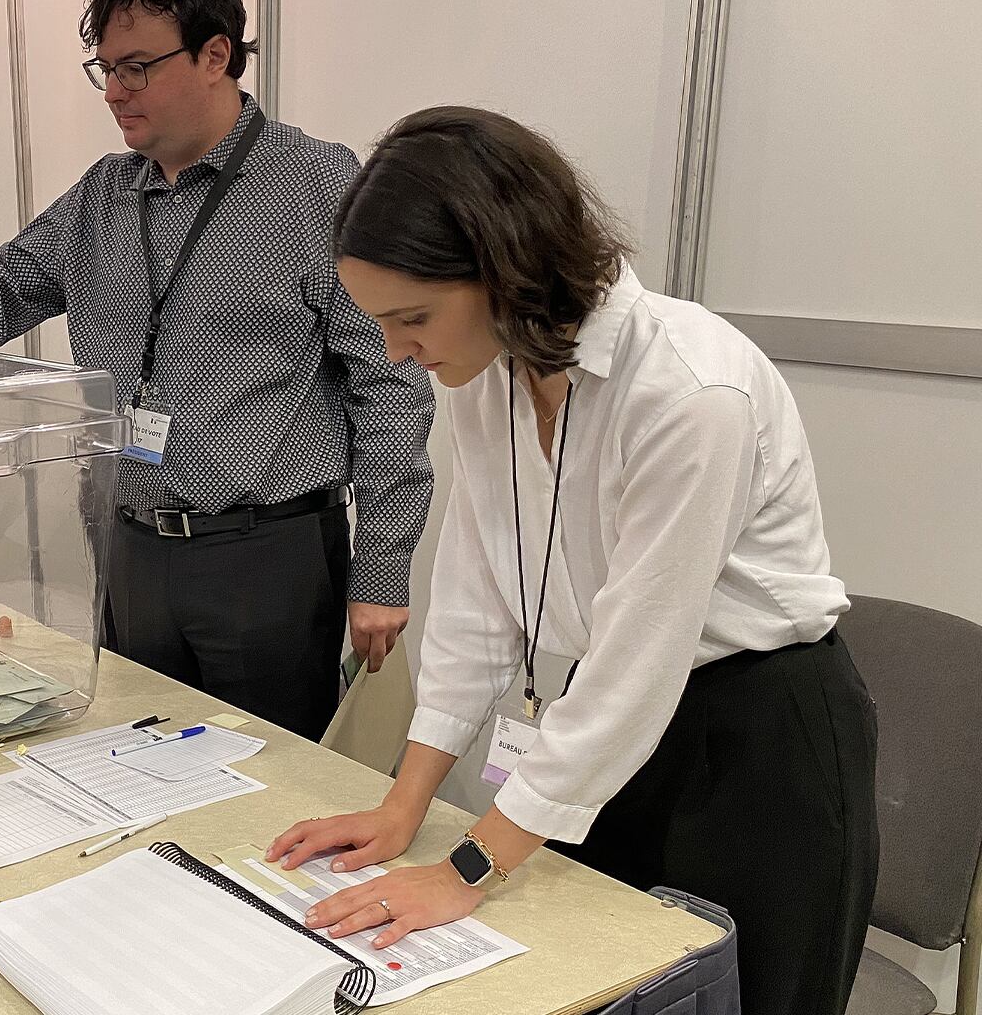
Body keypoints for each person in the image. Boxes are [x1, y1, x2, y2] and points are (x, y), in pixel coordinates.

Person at [267, 106, 877, 1015]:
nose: (397, 351)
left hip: (757, 745)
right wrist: (403, 804)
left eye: (414, 318)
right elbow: (476, 604)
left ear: (503, 267)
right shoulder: (490, 374)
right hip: (613, 732)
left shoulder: (689, 391)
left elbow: (637, 665)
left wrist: (466, 867)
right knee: (597, 984)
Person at [0, 0, 434, 740]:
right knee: (140, 763)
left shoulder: (315, 186)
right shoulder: (105, 194)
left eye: (136, 68)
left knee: (272, 782)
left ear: (215, 56)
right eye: (105, 69)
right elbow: (4, 282)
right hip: (128, 551)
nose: (114, 92)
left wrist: (383, 566)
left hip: (265, 561)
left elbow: (390, 384)